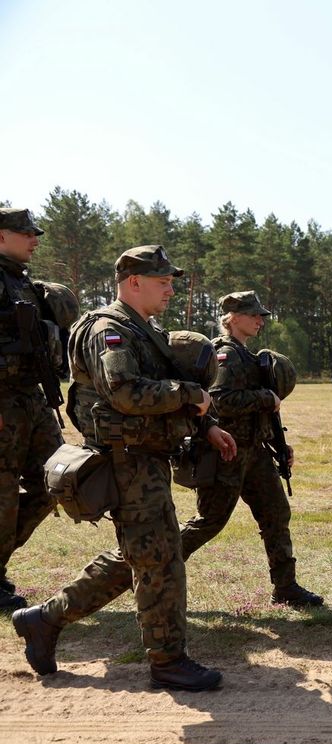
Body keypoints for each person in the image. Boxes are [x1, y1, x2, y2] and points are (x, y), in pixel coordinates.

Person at [12, 245, 237, 691]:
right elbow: (127, 393)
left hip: (146, 459)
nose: (171, 288)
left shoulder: (144, 329)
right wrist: (191, 395)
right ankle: (168, 660)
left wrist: (206, 424)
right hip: (125, 461)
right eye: (163, 281)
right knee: (160, 563)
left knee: (143, 555)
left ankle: (45, 618)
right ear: (133, 282)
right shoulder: (108, 330)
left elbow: (161, 386)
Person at [178, 291, 323, 608]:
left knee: (276, 513)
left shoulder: (246, 355)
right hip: (225, 453)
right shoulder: (225, 355)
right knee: (209, 522)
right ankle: (155, 567)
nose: (260, 320)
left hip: (253, 453)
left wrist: (278, 444)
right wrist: (265, 398)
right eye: (253, 314)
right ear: (231, 318)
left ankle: (285, 587)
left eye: (261, 315)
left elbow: (259, 411)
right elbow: (220, 401)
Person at [0, 209, 76, 611]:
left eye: (35, 233)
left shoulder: (23, 282)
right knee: (3, 491)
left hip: (32, 397)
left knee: (56, 481)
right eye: (25, 233)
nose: (34, 239)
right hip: (2, 400)